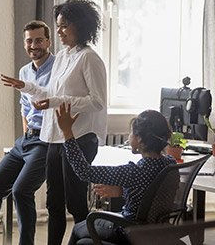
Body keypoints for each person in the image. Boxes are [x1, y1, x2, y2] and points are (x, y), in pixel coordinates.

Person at [1, 0, 107, 244]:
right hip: (54, 138)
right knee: (53, 203)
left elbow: (97, 101)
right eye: (57, 25)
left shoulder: (89, 58)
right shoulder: (62, 56)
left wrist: (57, 101)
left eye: (63, 26)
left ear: (79, 25)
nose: (58, 31)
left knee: (76, 203)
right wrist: (26, 86)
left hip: (79, 138)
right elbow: (51, 94)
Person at [0, 20, 53, 245]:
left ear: (48, 41)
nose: (33, 45)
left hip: (47, 140)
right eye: (29, 41)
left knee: (21, 191)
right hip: (27, 140)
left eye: (38, 40)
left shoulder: (58, 69)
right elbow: (24, 108)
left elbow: (53, 100)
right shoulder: (24, 70)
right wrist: (26, 134)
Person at [55, 102, 176, 244]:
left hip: (127, 231)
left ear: (139, 139)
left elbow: (84, 172)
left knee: (78, 229)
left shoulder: (134, 172)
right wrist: (123, 191)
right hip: (155, 230)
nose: (129, 137)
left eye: (131, 133)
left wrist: (67, 132)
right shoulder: (170, 163)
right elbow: (153, 195)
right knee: (84, 240)